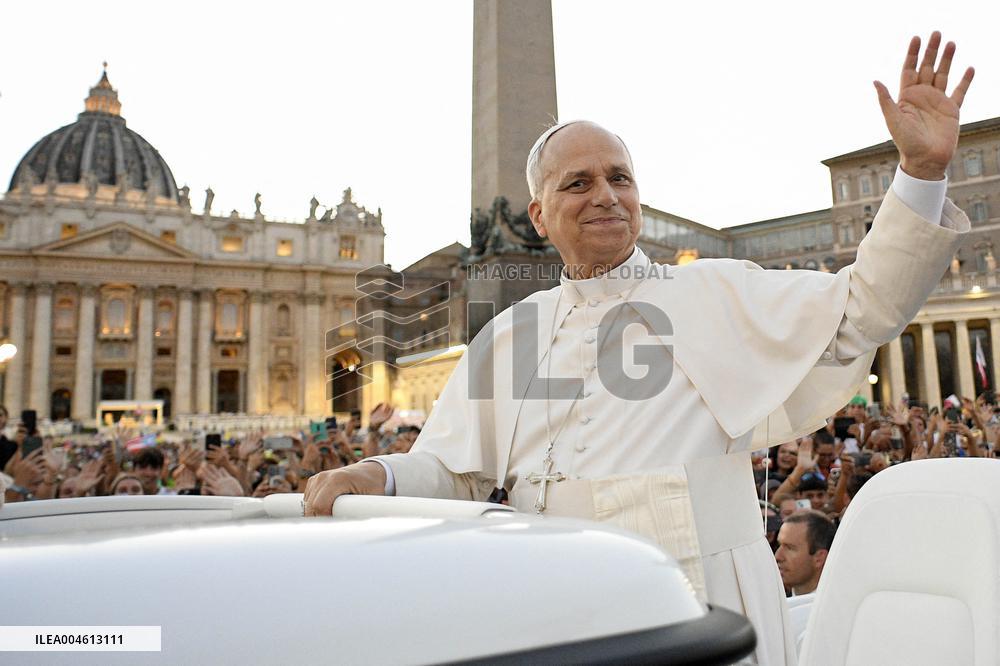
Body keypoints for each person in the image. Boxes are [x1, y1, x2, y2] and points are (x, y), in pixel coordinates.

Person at [304, 33, 974, 665]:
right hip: (559, 607)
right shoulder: (513, 334)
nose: (606, 196)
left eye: (619, 178)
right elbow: (454, 471)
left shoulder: (714, 293)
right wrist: (377, 476)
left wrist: (920, 171)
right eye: (579, 183)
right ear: (538, 216)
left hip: (704, 602)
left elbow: (866, 308)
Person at [775, 510, 837, 596]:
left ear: (819, 558)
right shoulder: (772, 603)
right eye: (779, 545)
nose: (778, 556)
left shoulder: (842, 605)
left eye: (790, 548)